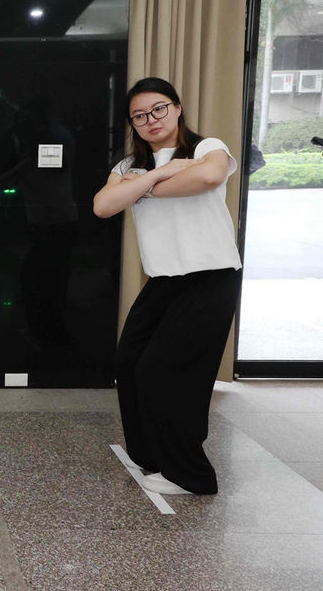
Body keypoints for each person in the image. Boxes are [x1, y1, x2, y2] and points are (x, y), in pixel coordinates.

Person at [93, 77, 242, 496]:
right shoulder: (128, 165)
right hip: (164, 278)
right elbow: (103, 206)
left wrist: (139, 189)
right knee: (130, 362)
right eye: (139, 116)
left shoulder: (206, 147)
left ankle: (191, 475)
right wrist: (158, 175)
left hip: (211, 275)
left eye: (159, 109)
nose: (151, 120)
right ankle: (153, 458)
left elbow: (208, 177)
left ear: (177, 107)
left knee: (165, 371)